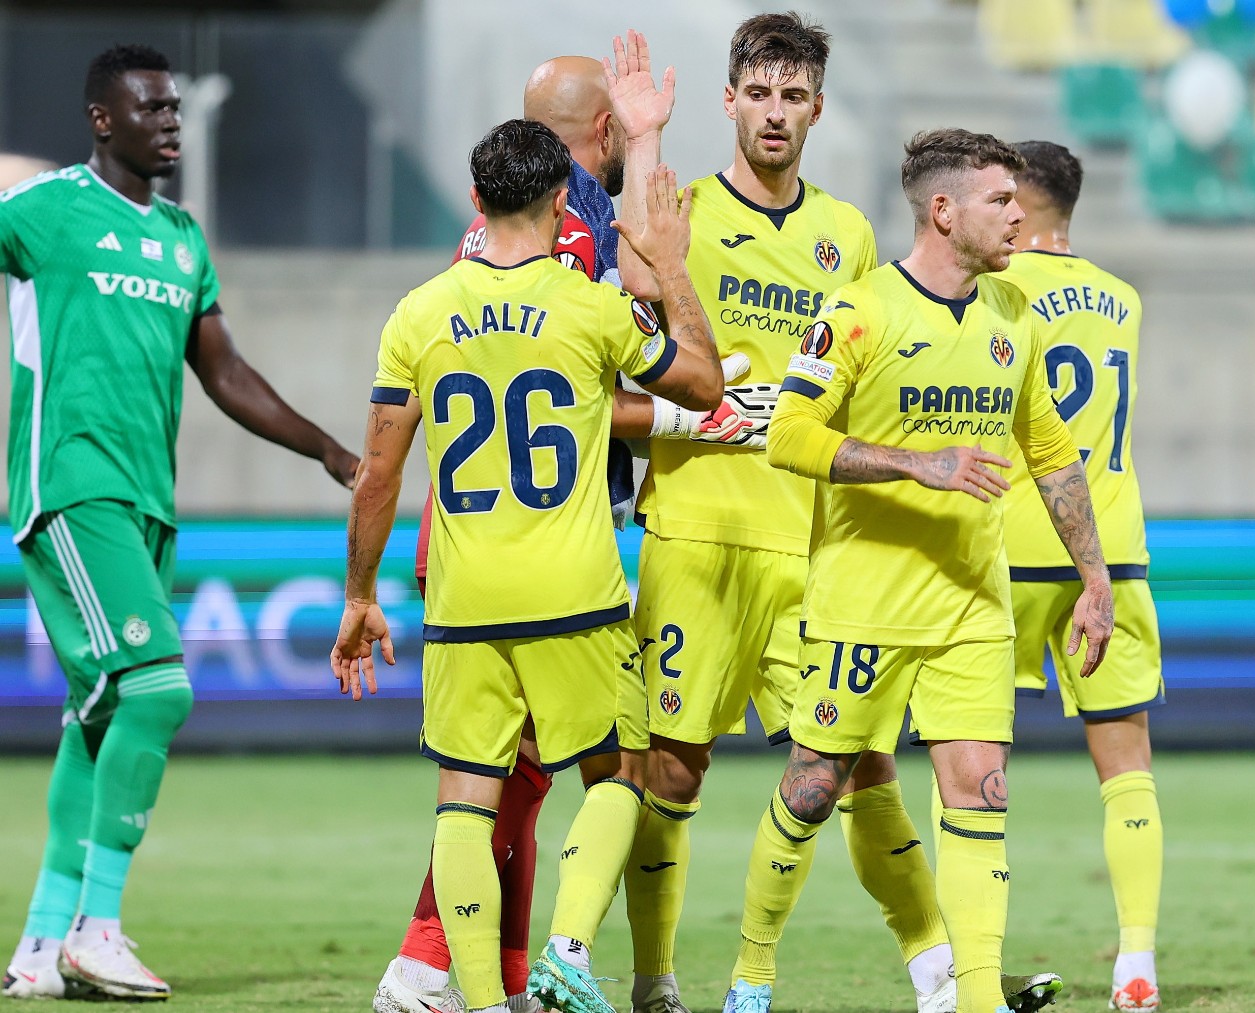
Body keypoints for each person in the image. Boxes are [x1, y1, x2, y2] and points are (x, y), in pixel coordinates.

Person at [609, 17, 961, 1013]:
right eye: (758, 93)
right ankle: (655, 977)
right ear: (729, 102)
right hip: (694, 531)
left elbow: (854, 370)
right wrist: (643, 137)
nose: (774, 112)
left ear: (816, 107)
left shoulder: (844, 234)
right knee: (672, 767)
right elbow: (639, 277)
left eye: (793, 95)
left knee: (855, 759)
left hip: (809, 544)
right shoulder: (682, 204)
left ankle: (939, 968)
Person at [331, 121, 722, 1013]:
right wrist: (671, 266)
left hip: (465, 600)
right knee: (621, 776)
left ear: (474, 202)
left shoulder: (419, 313)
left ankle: (477, 994)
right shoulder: (591, 307)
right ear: (560, 203)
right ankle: (564, 956)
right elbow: (701, 383)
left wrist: (360, 593)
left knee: (465, 804)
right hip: (574, 593)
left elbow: (379, 473)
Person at [0, 44, 359, 1002]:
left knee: (101, 714)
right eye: (152, 108)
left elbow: (227, 374)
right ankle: (97, 927)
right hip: (71, 488)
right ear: (102, 120)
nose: (172, 120)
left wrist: (329, 450)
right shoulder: (44, 211)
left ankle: (39, 942)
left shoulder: (182, 239)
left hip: (150, 502)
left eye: (175, 108)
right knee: (158, 689)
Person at [725, 127, 1113, 1013]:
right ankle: (751, 975)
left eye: (1019, 200)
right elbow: (787, 434)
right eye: (1000, 201)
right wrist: (914, 461)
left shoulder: (1015, 315)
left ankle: (971, 996)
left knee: (980, 791)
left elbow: (1051, 457)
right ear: (944, 212)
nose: (1020, 216)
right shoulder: (858, 311)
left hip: (973, 606)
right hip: (861, 606)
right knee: (815, 787)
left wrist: (1094, 580)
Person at [996, 140, 1164, 1012]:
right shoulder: (1124, 300)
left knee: (973, 760)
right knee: (1125, 762)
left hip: (1006, 549)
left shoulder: (993, 290)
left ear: (1016, 207)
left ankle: (971, 963)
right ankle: (1135, 962)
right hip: (1113, 554)